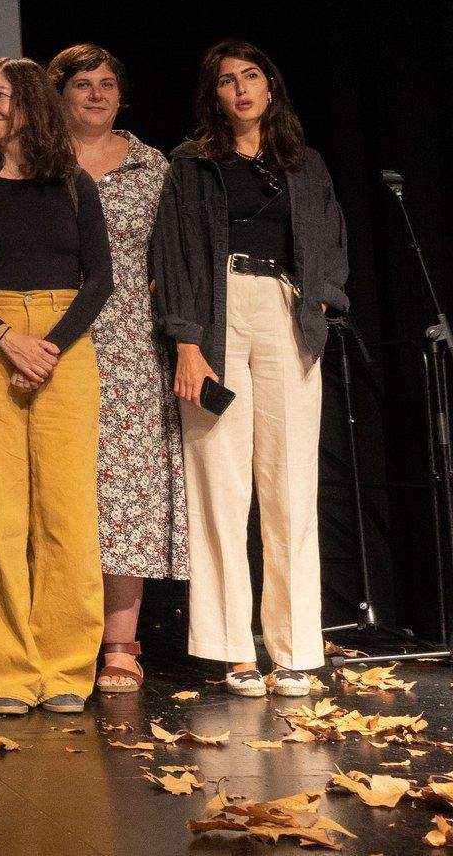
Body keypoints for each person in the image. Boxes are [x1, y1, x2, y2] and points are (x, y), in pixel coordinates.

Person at [153, 40, 347, 698]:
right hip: (217, 319)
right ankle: (233, 648)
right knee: (221, 484)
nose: (241, 88)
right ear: (214, 96)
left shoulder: (305, 163)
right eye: (227, 81)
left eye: (251, 76)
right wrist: (185, 341)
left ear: (270, 86)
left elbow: (331, 238)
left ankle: (294, 648)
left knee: (290, 482)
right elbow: (174, 254)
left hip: (285, 315)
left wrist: (322, 297)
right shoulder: (191, 165)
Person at [0, 57, 112, 716]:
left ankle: (66, 667)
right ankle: (6, 670)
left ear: (31, 104)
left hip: (64, 343)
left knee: (66, 514)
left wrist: (49, 345)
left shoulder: (72, 184)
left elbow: (101, 281)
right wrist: (9, 338)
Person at [49, 44, 188, 694]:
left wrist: (184, 339)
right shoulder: (38, 162)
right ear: (60, 93)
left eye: (108, 83)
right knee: (61, 495)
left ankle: (120, 644)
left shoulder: (150, 165)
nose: (98, 94)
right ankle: (59, 635)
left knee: (124, 500)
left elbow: (176, 261)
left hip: (131, 347)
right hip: (52, 342)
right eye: (84, 84)